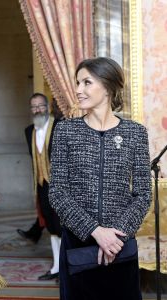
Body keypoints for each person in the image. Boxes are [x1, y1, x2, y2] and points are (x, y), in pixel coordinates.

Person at [49, 57, 152, 300]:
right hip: (78, 246)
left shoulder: (135, 133)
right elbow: (57, 192)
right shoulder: (65, 131)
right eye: (77, 83)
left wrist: (116, 234)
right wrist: (96, 231)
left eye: (86, 82)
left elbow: (143, 193)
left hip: (120, 246)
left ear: (107, 87)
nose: (78, 90)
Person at [17, 93, 62, 280]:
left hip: (61, 186)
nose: (37, 110)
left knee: (63, 227)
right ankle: (57, 266)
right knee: (51, 226)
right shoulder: (28, 131)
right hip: (42, 186)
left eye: (41, 106)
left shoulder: (60, 126)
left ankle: (67, 267)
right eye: (34, 107)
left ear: (47, 107)